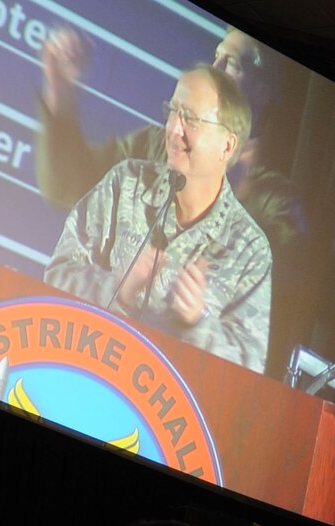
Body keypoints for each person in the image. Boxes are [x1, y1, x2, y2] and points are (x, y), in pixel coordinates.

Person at [36, 27, 307, 377]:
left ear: (262, 91)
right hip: (88, 372)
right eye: (174, 111)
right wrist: (119, 288)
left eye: (232, 63)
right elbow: (65, 196)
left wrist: (197, 321)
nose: (217, 65)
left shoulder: (269, 219)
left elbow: (250, 361)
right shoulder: (134, 174)